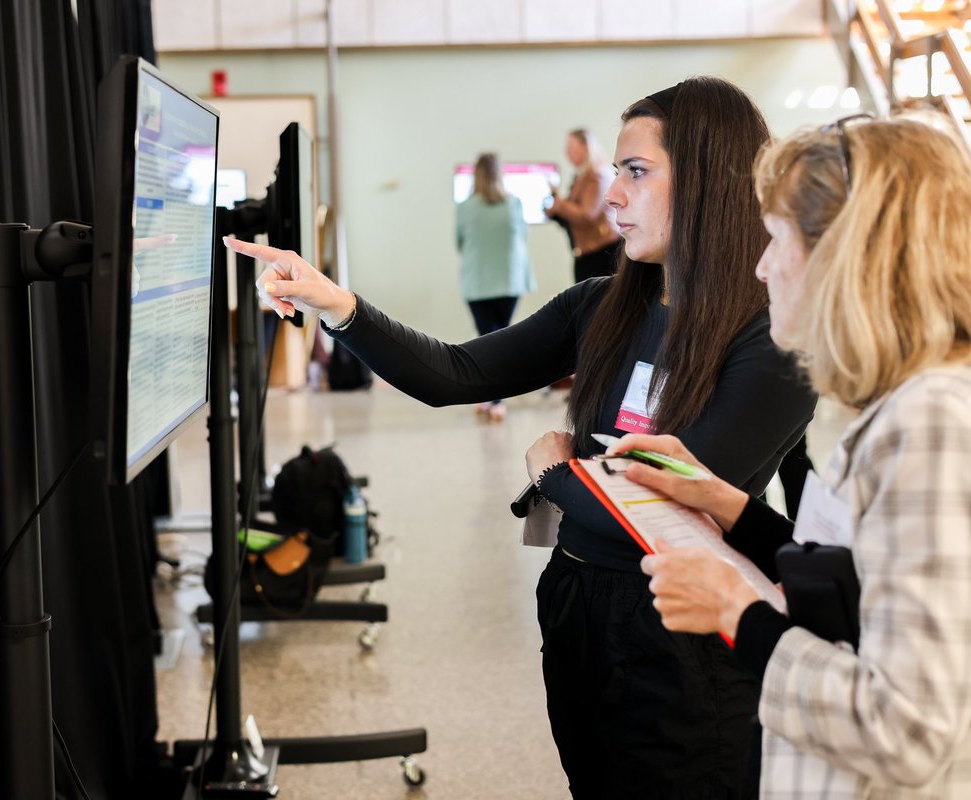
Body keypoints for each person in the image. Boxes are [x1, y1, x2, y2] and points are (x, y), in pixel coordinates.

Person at [226, 77, 817, 798]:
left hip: (685, 630)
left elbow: (677, 514)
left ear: (705, 180)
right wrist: (335, 304)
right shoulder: (600, 306)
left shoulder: (771, 335)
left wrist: (556, 472)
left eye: (636, 173)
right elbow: (455, 371)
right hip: (577, 608)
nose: (612, 198)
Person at [623, 114, 971, 797]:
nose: (761, 266)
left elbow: (904, 729)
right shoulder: (918, 403)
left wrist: (736, 614)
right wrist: (731, 507)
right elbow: (867, 586)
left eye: (777, 240)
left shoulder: (934, 423)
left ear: (851, 259)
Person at [456, 152, 536, 421]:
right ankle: (496, 400)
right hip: (509, 281)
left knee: (485, 339)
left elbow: (459, 243)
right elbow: (522, 239)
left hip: (478, 283)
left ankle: (490, 397)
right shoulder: (514, 204)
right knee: (502, 336)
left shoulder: (466, 207)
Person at [545, 127, 621, 282]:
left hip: (602, 251)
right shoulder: (583, 176)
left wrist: (559, 204)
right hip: (588, 251)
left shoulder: (597, 175)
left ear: (586, 147)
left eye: (571, 146)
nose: (567, 152)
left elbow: (587, 214)